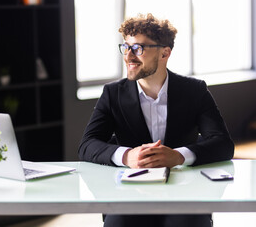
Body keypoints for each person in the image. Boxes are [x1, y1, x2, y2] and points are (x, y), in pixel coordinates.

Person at [78, 13, 234, 227]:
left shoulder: (194, 90)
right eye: (126, 47)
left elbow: (223, 143)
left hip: (185, 192)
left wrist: (179, 156)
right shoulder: (112, 94)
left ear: (165, 53)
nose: (129, 56)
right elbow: (87, 145)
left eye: (138, 48)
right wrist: (127, 156)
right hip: (129, 194)